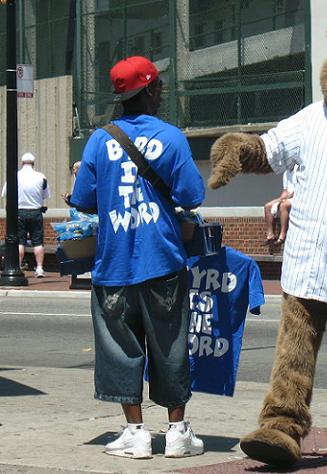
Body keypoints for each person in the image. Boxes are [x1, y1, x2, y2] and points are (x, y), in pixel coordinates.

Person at [70, 56, 206, 459]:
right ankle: (178, 432)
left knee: (120, 348)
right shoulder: (172, 137)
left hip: (114, 263)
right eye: (159, 85)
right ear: (148, 90)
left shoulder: (98, 140)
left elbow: (83, 200)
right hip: (163, 259)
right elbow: (191, 195)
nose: (161, 90)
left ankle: (136, 433)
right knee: (171, 344)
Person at [1, 152, 51, 277]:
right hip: (36, 212)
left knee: (20, 241)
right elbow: (45, 195)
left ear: (22, 163)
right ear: (33, 163)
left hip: (19, 212)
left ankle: (17, 266)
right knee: (38, 241)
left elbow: (5, 193)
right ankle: (39, 268)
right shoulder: (41, 177)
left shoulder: (14, 176)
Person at [263, 165, 296, 245]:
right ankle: (270, 235)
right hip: (287, 197)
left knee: (283, 206)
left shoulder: (298, 172)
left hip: (296, 197)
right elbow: (285, 190)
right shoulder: (286, 173)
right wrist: (281, 198)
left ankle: (283, 234)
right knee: (267, 206)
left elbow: (298, 189)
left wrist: (288, 196)